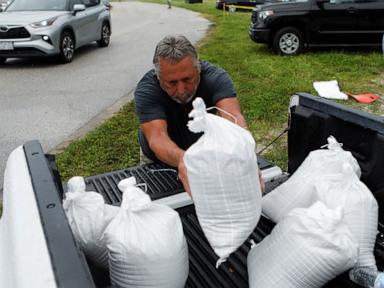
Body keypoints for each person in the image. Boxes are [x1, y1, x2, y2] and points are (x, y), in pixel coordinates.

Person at [134, 35, 264, 194]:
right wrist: (182, 160)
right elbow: (157, 138)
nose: (181, 91)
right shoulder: (147, 89)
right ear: (159, 77)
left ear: (198, 68)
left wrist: (244, 152)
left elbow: (233, 118)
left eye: (187, 79)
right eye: (172, 83)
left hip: (203, 155)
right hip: (159, 160)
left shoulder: (216, 78)